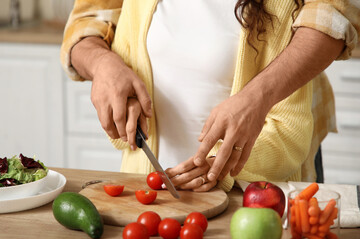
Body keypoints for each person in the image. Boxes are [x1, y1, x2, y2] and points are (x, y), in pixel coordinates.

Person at [61, 0, 359, 192]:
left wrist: (221, 166)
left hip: (248, 193)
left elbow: (336, 11)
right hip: (153, 194)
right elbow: (86, 21)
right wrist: (103, 65)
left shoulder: (280, 8)